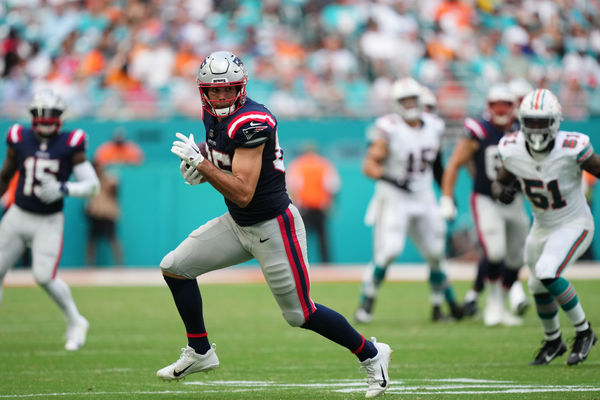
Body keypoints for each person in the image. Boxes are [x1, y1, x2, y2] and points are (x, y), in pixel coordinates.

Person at [157, 51, 392, 398]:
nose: (220, 97)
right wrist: (201, 169)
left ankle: (373, 355)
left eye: (228, 90)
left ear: (242, 87)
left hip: (273, 227)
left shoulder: (252, 121)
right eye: (213, 91)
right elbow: (226, 170)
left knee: (301, 314)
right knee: (175, 267)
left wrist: (205, 167)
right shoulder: (212, 115)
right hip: (239, 224)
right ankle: (200, 351)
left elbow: (243, 192)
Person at [492, 88, 598, 365]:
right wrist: (500, 190)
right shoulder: (512, 148)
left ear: (555, 122)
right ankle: (554, 341)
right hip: (541, 226)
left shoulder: (572, 146)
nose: (536, 128)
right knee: (537, 285)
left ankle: (584, 331)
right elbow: (500, 181)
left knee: (548, 271)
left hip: (574, 222)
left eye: (542, 122)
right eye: (532, 121)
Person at [354, 77, 463, 324]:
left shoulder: (435, 125)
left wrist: (448, 196)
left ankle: (439, 307)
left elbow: (437, 165)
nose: (410, 104)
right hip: (395, 198)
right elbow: (369, 165)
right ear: (396, 103)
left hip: (424, 197)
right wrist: (392, 179)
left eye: (413, 98)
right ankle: (366, 303)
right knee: (390, 251)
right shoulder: (389, 127)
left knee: (436, 253)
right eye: (404, 100)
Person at [0, 89, 100, 350]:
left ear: (61, 117)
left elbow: (92, 186)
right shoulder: (19, 138)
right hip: (18, 214)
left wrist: (63, 188)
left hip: (48, 219)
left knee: (44, 277)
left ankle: (76, 321)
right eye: (40, 115)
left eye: (51, 115)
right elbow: (5, 176)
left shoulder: (70, 143)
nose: (45, 120)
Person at [440, 83, 529, 326]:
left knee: (516, 258)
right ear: (488, 107)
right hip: (486, 199)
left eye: (505, 105)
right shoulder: (479, 130)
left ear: (514, 107)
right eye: (495, 104)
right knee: (495, 251)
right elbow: (455, 163)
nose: (500, 109)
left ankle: (501, 303)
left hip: (515, 200)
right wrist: (447, 197)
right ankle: (494, 305)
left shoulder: (523, 130)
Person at [286, 142, 341, 263]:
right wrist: (331, 203)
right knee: (323, 240)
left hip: (303, 208)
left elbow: (291, 187)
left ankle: (297, 264)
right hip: (320, 207)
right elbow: (333, 186)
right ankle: (326, 267)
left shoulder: (297, 164)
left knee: (299, 239)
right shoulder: (324, 164)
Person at [85, 162, 124, 267]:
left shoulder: (108, 178)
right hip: (96, 213)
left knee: (112, 239)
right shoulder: (91, 180)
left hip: (107, 213)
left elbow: (114, 190)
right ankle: (90, 264)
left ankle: (119, 264)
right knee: (92, 240)